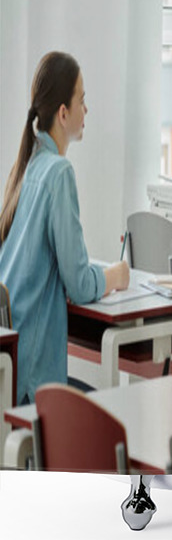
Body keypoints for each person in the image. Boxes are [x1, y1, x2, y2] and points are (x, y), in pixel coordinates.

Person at [0, 52, 130, 405]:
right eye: (82, 100)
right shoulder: (58, 173)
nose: (86, 110)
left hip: (11, 368)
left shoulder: (25, 168)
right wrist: (117, 276)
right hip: (32, 381)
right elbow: (80, 284)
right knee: (114, 413)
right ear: (63, 112)